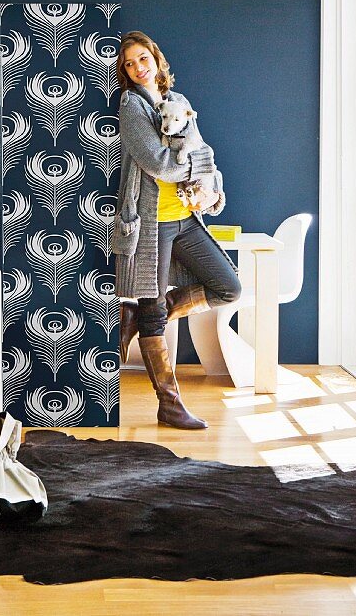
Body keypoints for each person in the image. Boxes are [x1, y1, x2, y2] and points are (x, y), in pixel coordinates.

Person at [112, 31, 241, 430]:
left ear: (155, 57)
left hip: (185, 219)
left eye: (142, 59)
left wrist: (211, 188)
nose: (138, 68)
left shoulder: (177, 102)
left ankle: (141, 317)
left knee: (228, 287)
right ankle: (169, 406)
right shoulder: (131, 107)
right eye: (129, 63)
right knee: (154, 311)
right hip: (151, 225)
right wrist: (195, 168)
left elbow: (206, 155)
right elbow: (161, 165)